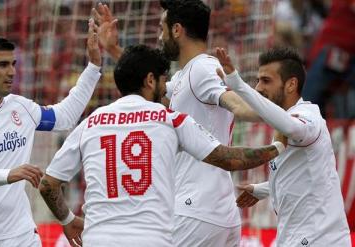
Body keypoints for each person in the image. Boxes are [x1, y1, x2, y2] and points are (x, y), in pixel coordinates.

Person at [39, 45, 286, 247]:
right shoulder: (169, 119)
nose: (166, 87)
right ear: (150, 81)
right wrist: (277, 147)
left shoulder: (90, 123)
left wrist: (67, 218)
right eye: (163, 80)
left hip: (98, 240)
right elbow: (228, 158)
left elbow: (47, 185)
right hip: (152, 239)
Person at [93, 1, 259, 246]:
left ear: (177, 30)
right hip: (219, 211)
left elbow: (235, 103)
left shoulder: (202, 69)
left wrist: (273, 115)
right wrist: (114, 49)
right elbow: (151, 84)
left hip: (195, 211)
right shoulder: (186, 75)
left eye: (162, 28)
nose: (159, 37)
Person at [0, 21, 102, 247]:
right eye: (2, 65)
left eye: (13, 64)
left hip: (21, 234)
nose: (12, 72)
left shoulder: (20, 107)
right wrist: (8, 174)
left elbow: (65, 117)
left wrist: (93, 67)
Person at [217, 46, 351, 246]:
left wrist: (237, 84)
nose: (259, 88)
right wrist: (262, 189)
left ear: (291, 85)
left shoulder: (308, 117)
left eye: (266, 81)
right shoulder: (285, 122)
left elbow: (290, 126)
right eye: (257, 80)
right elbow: (301, 177)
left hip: (318, 239)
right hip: (296, 237)